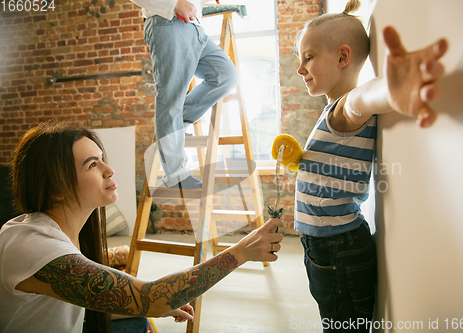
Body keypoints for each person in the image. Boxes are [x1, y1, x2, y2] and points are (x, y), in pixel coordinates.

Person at [0, 121, 283, 333]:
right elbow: (150, 297)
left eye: (102, 159)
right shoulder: (32, 244)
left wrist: (145, 304)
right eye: (91, 165)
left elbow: (104, 296)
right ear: (56, 189)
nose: (109, 170)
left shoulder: (63, 234)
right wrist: (242, 251)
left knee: (137, 320)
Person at [294, 0, 447, 331]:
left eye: (308, 58)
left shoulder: (345, 106)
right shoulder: (331, 111)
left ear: (343, 57)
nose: (299, 68)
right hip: (326, 247)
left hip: (338, 250)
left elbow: (362, 99)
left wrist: (390, 90)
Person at [130, 0, 239, 190]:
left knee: (226, 75)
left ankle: (177, 124)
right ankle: (176, 175)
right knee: (171, 97)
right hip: (168, 21)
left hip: (195, 27)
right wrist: (173, 3)